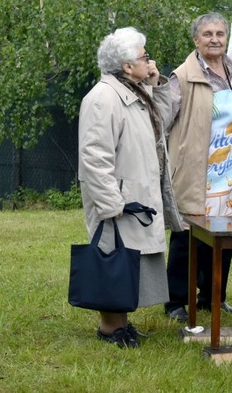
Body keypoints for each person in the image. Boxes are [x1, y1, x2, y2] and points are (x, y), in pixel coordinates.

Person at [78, 27, 181, 348]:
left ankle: (121, 324)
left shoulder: (133, 92)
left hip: (135, 196)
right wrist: (111, 204)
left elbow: (161, 121)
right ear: (126, 65)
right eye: (144, 56)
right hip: (118, 199)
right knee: (113, 259)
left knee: (128, 262)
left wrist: (155, 84)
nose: (149, 60)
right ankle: (110, 329)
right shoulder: (102, 99)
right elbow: (94, 157)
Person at [163, 12, 232, 323]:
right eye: (208, 34)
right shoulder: (181, 77)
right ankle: (175, 301)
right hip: (196, 171)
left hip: (229, 173)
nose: (215, 39)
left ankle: (214, 296)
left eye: (220, 34)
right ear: (195, 40)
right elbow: (162, 121)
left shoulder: (231, 71)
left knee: (226, 236)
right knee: (187, 237)